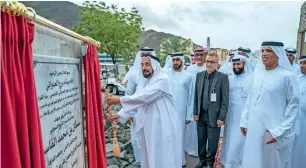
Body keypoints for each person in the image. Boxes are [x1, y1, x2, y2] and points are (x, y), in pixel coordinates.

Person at [107, 52, 182, 168]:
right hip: (149, 126)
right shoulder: (145, 82)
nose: (144, 68)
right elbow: (138, 98)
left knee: (163, 155)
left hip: (163, 126)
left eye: (147, 64)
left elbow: (143, 97)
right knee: (149, 155)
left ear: (155, 66)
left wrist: (119, 100)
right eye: (142, 65)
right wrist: (121, 114)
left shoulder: (163, 79)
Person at [240, 41, 299, 168]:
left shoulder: (287, 76)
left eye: (269, 51)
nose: (264, 54)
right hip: (254, 127)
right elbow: (250, 98)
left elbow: (293, 106)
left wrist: (279, 131)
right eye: (263, 51)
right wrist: (244, 120)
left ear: (278, 54)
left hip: (273, 131)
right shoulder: (257, 74)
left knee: (271, 162)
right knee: (253, 158)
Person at [194, 52, 229, 168]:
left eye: (212, 62)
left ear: (217, 64)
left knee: (213, 141)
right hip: (201, 114)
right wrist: (195, 112)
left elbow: (225, 100)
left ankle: (209, 163)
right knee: (201, 139)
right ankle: (202, 161)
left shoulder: (222, 78)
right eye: (208, 61)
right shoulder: (199, 76)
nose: (209, 64)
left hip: (214, 116)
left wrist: (222, 117)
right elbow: (196, 96)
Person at [122, 47, 156, 165]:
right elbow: (129, 93)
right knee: (137, 139)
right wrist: (128, 113)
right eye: (143, 55)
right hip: (137, 113)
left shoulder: (157, 75)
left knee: (152, 140)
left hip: (152, 114)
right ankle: (140, 162)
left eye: (148, 55)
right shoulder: (134, 74)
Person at [220, 55, 253, 168]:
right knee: (229, 138)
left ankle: (239, 164)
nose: (236, 66)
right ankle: (226, 161)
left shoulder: (251, 79)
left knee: (240, 140)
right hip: (230, 114)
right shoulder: (229, 78)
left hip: (243, 115)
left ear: (244, 64)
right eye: (234, 64)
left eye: (238, 64)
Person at [167, 52, 194, 167]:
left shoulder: (188, 76)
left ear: (182, 61)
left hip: (181, 112)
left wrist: (189, 115)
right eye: (173, 60)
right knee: (168, 136)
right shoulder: (166, 75)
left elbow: (191, 97)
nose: (175, 63)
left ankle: (180, 161)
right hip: (167, 111)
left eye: (178, 60)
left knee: (180, 137)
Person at [185, 46, 208, 157]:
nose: (199, 57)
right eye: (197, 55)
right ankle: (191, 148)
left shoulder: (208, 69)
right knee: (191, 127)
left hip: (204, 103)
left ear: (205, 56)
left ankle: (203, 150)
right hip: (191, 102)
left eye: (201, 55)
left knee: (203, 127)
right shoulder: (189, 70)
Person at [291, 55, 306, 167]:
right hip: (295, 117)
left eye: (305, 63)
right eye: (301, 63)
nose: (302, 66)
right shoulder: (296, 78)